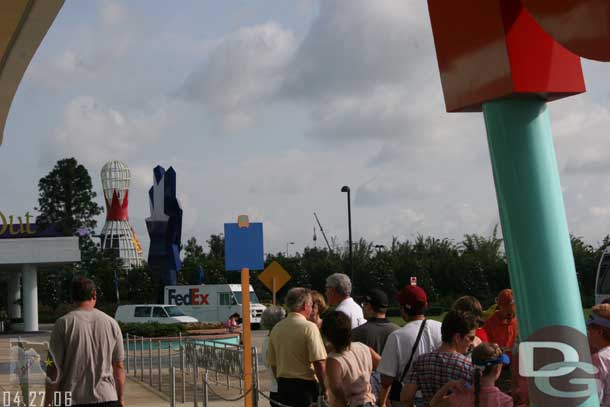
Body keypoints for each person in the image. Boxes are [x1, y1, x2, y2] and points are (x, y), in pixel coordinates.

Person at [45, 276, 125, 407]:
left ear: (72, 297)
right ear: (94, 294)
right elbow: (118, 366)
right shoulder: (112, 323)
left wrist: (48, 402)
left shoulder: (63, 323)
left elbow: (54, 368)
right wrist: (121, 399)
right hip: (107, 397)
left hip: (71, 398)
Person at [377, 285, 442, 407]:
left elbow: (386, 381)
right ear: (426, 305)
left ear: (403, 309)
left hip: (410, 399)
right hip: (441, 398)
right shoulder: (442, 328)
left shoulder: (396, 336)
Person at [401, 310, 477, 406]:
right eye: (470, 338)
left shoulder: (421, 361)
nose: (472, 343)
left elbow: (406, 398)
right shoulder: (467, 366)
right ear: (457, 337)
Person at [267, 288, 327, 407]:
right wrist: (326, 388)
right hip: (305, 388)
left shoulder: (276, 328)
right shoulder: (309, 327)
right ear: (305, 306)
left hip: (283, 385)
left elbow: (273, 363)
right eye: (311, 305)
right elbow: (319, 362)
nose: (311, 309)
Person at [321, 311, 381, 407]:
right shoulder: (362, 347)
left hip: (351, 403)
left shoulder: (334, 360)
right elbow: (384, 367)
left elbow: (337, 390)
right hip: (369, 401)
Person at [429, 343, 512, 407]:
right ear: (497, 369)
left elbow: (434, 404)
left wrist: (449, 384)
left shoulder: (460, 396)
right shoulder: (505, 401)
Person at [352, 289, 400, 354]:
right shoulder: (398, 331)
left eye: (363, 304)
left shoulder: (356, 333)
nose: (362, 308)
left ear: (369, 306)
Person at [261, 306, 286, 404]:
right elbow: (274, 366)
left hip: (275, 390)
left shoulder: (267, 341)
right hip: (281, 390)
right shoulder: (274, 341)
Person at [587, 304, 610, 405]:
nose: (587, 332)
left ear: (600, 332)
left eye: (589, 328)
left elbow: (592, 400)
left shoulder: (599, 359)